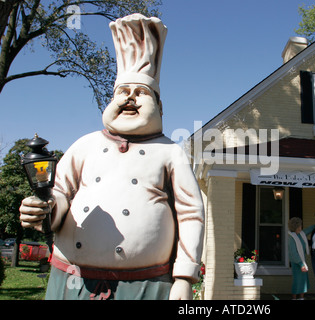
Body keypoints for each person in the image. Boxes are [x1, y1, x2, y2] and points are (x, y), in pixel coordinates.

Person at [19, 14, 204, 300]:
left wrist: (184, 277)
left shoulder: (171, 152)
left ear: (160, 107)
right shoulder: (85, 145)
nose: (130, 98)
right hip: (73, 280)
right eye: (123, 92)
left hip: (146, 285)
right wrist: (43, 209)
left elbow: (192, 214)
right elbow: (59, 195)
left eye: (141, 92)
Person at [288, 217, 310, 300]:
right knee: (297, 281)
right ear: (296, 227)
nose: (301, 227)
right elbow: (293, 254)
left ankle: (301, 298)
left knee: (303, 281)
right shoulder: (291, 237)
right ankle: (294, 298)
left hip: (302, 262)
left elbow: (308, 229)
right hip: (297, 263)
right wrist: (301, 264)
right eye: (300, 225)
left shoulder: (302, 234)